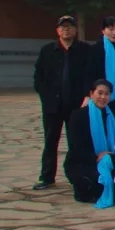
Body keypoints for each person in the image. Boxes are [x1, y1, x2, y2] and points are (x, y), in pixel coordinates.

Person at [32, 15, 91, 190]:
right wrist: (46, 96)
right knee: (51, 141)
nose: (66, 29)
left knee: (76, 142)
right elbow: (38, 77)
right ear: (57, 30)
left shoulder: (84, 50)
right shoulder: (48, 51)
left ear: (75, 30)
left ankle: (77, 176)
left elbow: (89, 75)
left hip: (76, 105)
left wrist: (86, 96)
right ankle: (47, 176)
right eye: (63, 27)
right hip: (53, 106)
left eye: (69, 26)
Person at [64, 79, 115, 206]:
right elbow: (75, 146)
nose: (103, 97)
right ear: (91, 93)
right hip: (83, 161)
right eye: (100, 93)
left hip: (107, 160)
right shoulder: (78, 115)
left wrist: (106, 156)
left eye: (106, 94)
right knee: (91, 185)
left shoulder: (111, 116)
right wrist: (96, 156)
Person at [84, 16, 115, 125]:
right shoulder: (96, 49)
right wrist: (88, 94)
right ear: (103, 30)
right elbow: (89, 74)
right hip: (103, 96)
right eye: (111, 29)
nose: (114, 33)